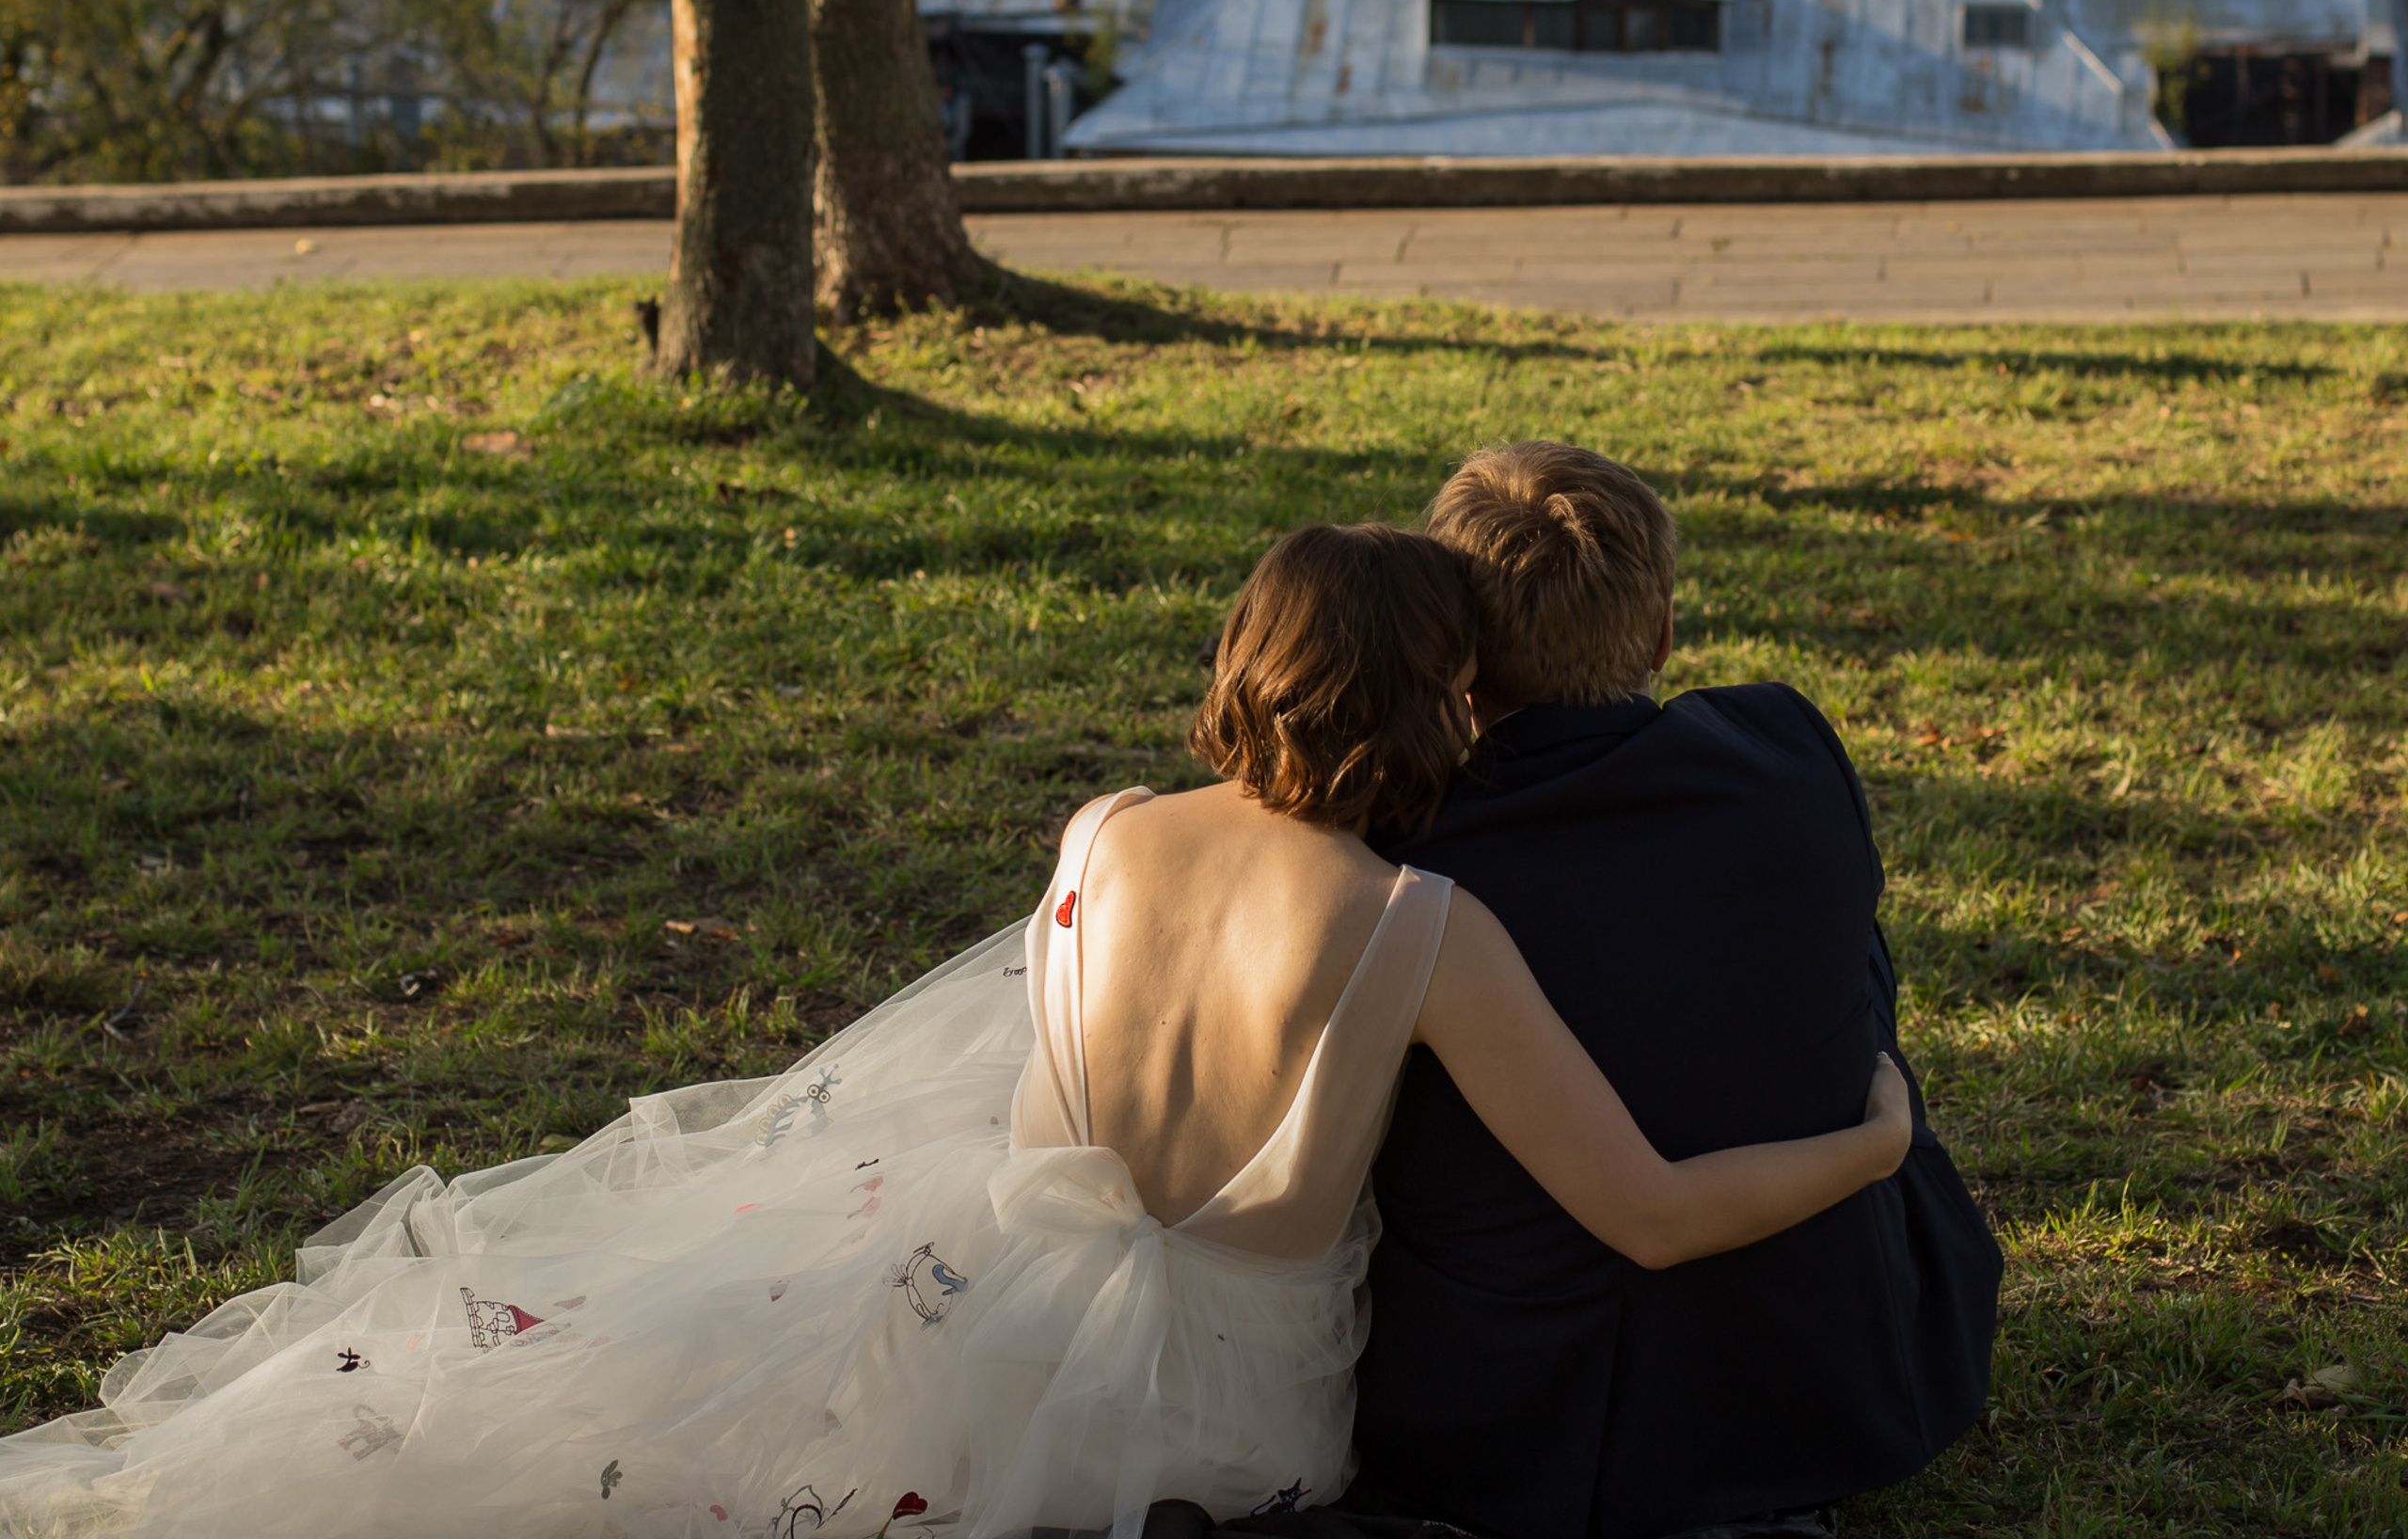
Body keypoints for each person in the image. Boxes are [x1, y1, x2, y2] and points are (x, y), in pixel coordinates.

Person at [0, 524, 1912, 1539]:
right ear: (1443, 704)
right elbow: (1645, 1209)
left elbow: (1036, 1095)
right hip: (1225, 1413)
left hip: (984, 1291)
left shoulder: (1099, 832)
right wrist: (1868, 1139)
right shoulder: (1419, 924)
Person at [1349, 445, 2003, 1539]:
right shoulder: (1786, 751)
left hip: (1502, 1421)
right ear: (1660, 635)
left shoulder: (1405, 855)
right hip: (1823, 1385)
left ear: (1458, 659)